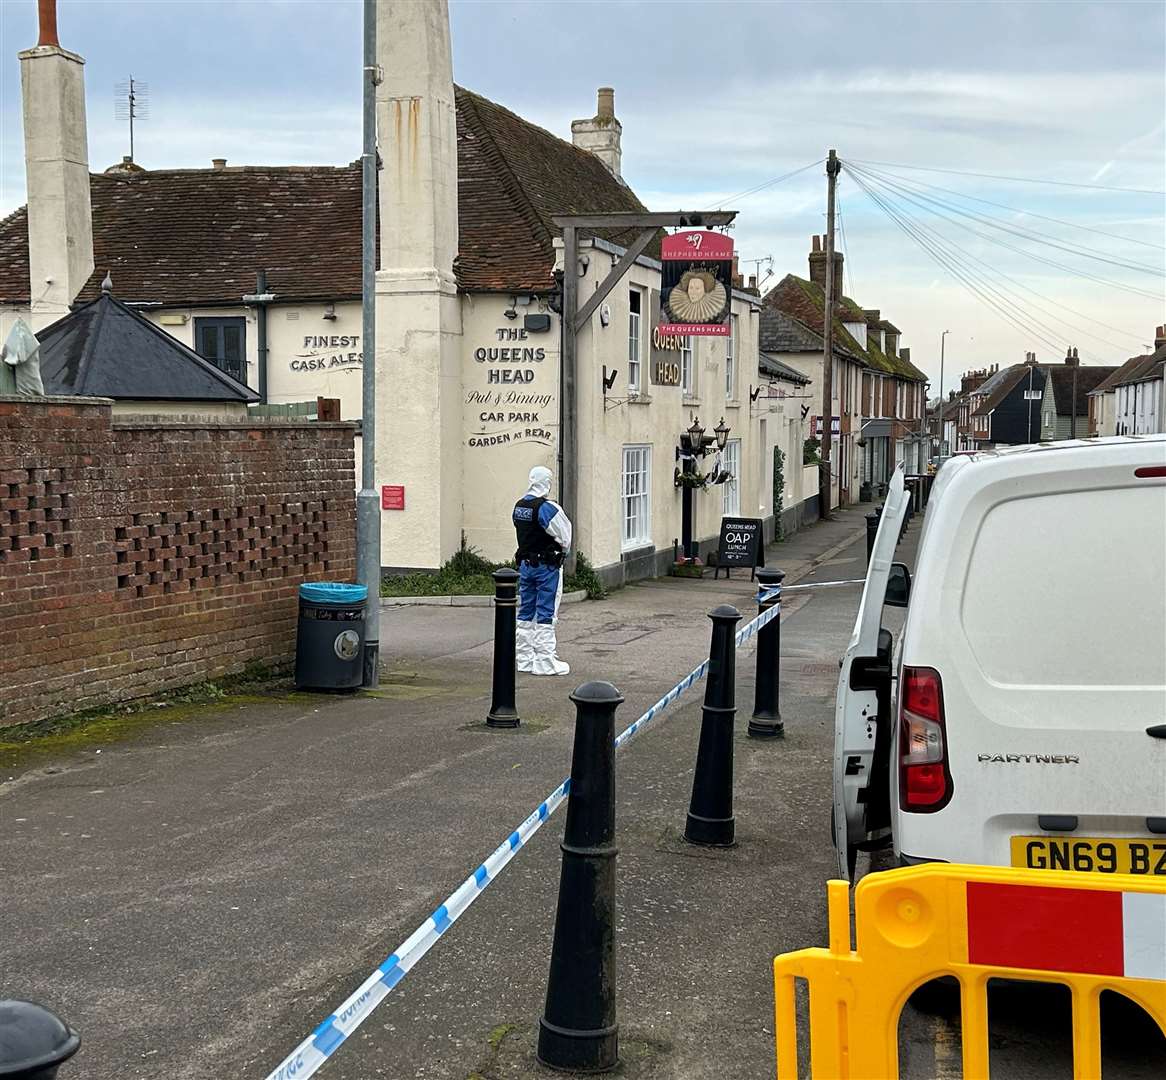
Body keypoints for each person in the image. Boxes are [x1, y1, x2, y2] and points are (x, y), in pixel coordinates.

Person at [513, 465, 572, 675]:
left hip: (526, 567)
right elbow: (565, 536)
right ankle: (545, 661)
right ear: (546, 482)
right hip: (546, 567)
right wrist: (562, 552)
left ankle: (524, 658)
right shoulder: (546, 508)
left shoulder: (519, 506)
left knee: (526, 611)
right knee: (547, 612)